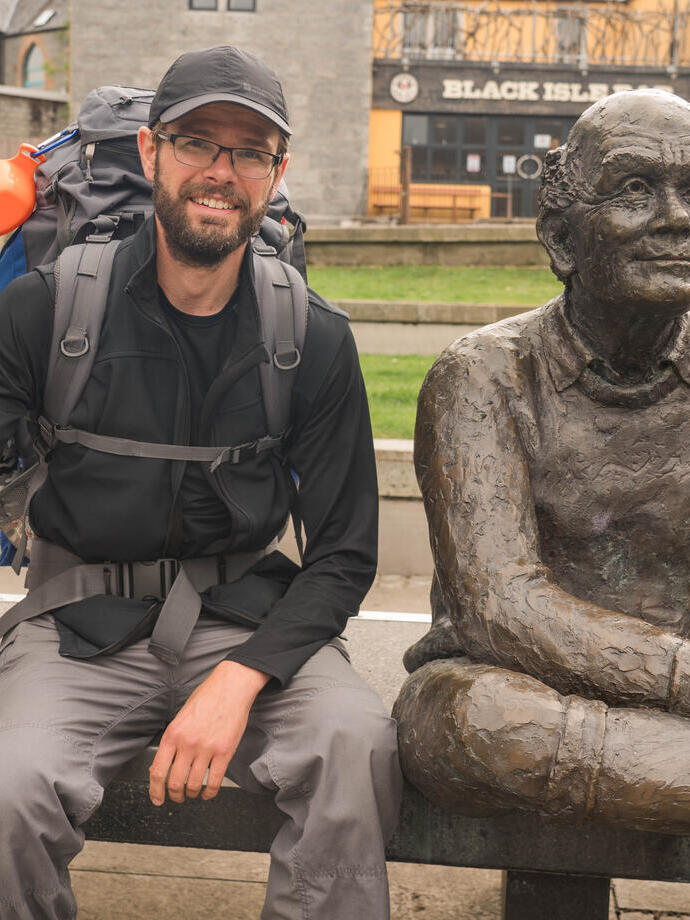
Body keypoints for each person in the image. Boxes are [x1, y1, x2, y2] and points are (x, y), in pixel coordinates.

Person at [0, 45, 401, 919]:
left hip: (246, 624)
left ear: (276, 172)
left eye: (249, 151)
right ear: (149, 153)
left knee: (354, 744)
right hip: (76, 629)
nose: (221, 173)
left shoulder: (313, 338)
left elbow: (343, 555)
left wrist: (243, 677)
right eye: (197, 143)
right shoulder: (45, 309)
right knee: (5, 790)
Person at [394, 88, 690, 834]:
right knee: (470, 724)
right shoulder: (482, 375)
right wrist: (679, 676)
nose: (677, 217)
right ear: (561, 236)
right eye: (634, 190)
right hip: (517, 685)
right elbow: (500, 607)